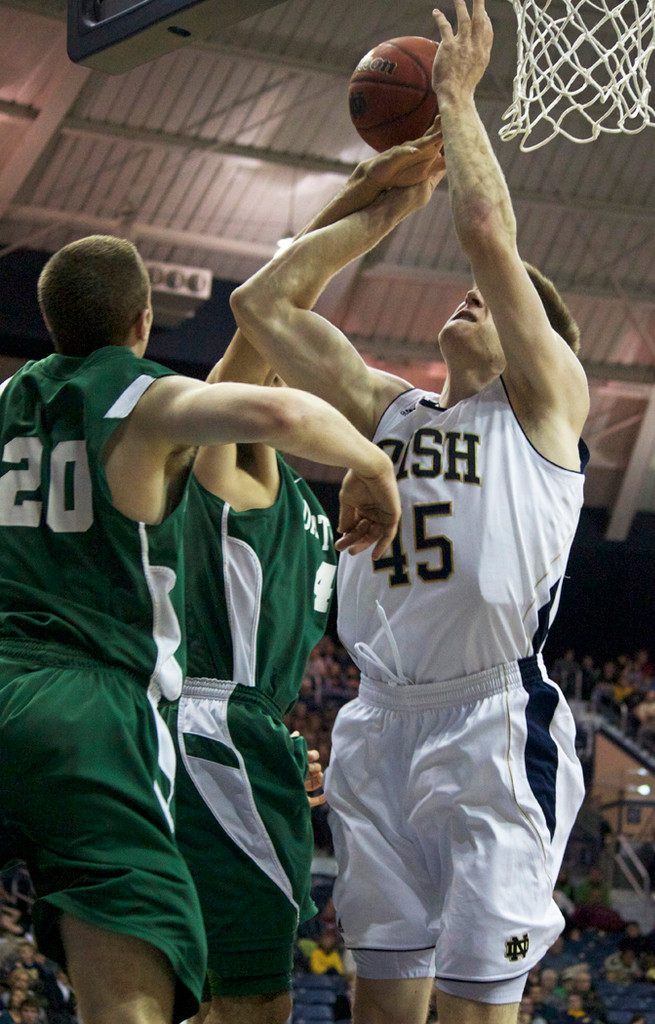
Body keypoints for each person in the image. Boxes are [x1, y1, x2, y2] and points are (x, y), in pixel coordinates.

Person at [230, 0, 590, 1019]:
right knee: (382, 1005)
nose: (480, 295)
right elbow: (263, 307)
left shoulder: (545, 411)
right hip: (375, 719)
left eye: (509, 298)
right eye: (481, 293)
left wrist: (455, 99)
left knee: (479, 1005)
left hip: (489, 722)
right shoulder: (390, 411)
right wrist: (378, 208)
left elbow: (484, 232)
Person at [0, 235, 402, 1024]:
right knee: (180, 991)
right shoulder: (196, 438)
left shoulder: (16, 403)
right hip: (128, 712)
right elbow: (266, 363)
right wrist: (377, 463)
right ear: (143, 322)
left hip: (65, 686)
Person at [164, 331, 338, 1024]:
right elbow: (224, 386)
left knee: (219, 994)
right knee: (255, 1000)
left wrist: (278, 740)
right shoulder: (236, 483)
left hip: (249, 733)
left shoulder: (303, 504)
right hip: (217, 728)